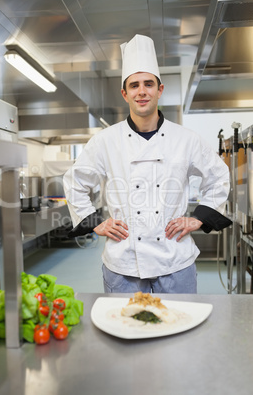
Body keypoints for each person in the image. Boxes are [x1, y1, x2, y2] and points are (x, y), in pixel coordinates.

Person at [63, 34, 231, 294]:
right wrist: (94, 221)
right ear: (125, 93)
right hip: (124, 263)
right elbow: (75, 182)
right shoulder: (106, 141)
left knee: (181, 330)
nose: (142, 91)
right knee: (123, 331)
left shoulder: (186, 139)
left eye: (149, 84)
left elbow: (219, 176)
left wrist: (198, 218)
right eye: (134, 85)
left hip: (176, 259)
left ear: (159, 89)